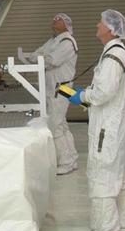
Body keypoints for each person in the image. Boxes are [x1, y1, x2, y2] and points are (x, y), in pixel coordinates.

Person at [66, 9, 125, 231]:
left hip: (109, 129)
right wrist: (88, 94)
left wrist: (82, 96)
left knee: (103, 176)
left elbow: (103, 92)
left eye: (101, 23)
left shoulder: (113, 56)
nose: (97, 25)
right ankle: (124, 225)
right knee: (122, 177)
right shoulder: (118, 53)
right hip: (119, 128)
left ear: (111, 29)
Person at [18, 13, 79, 174]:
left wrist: (42, 57)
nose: (54, 20)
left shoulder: (67, 42)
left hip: (62, 88)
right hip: (52, 88)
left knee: (55, 125)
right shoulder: (53, 40)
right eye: (54, 18)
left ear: (66, 25)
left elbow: (52, 61)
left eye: (59, 19)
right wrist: (41, 57)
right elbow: (36, 55)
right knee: (61, 124)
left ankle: (65, 162)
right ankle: (72, 157)